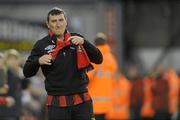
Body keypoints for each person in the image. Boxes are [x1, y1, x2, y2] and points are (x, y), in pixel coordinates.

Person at [23, 7, 103, 120]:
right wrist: (38, 61)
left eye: (61, 20)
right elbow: (26, 72)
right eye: (54, 21)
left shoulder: (77, 39)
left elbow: (99, 59)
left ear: (66, 22)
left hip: (82, 101)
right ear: (48, 24)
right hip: (57, 103)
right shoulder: (41, 45)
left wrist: (85, 43)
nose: (58, 24)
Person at [87, 33, 118, 120]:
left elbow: (87, 78)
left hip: (94, 101)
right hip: (107, 100)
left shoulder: (93, 57)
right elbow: (115, 78)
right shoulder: (111, 59)